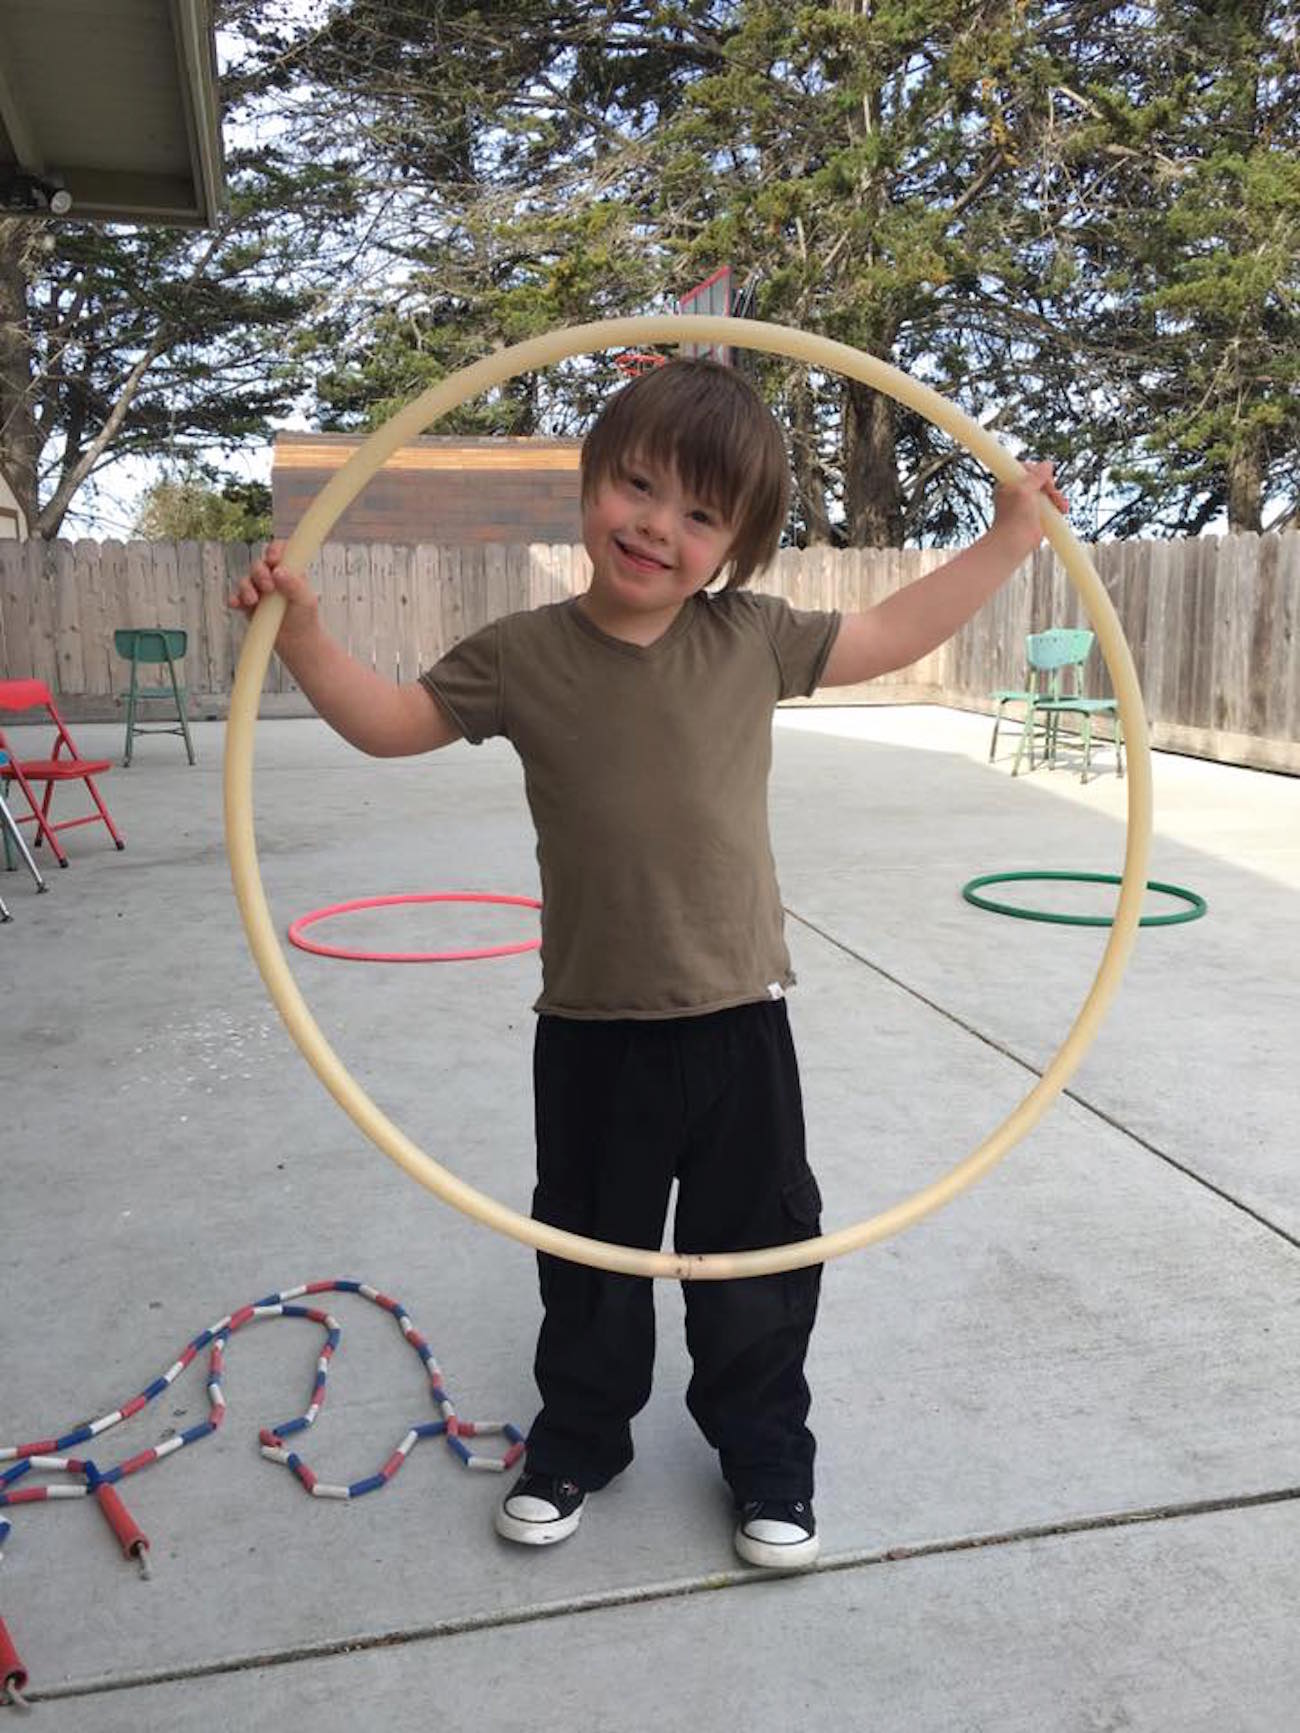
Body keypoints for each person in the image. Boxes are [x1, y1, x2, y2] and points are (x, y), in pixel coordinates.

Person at [231, 358, 1066, 1570]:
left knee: (754, 1264)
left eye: (697, 514)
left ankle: (766, 1453)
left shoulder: (750, 639)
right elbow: (390, 722)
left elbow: (888, 632)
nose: (654, 527)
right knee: (588, 1256)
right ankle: (580, 1435)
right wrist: (302, 634)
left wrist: (1006, 541)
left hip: (739, 1023)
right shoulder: (520, 654)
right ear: (590, 483)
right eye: (635, 485)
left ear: (731, 547)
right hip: (592, 1026)